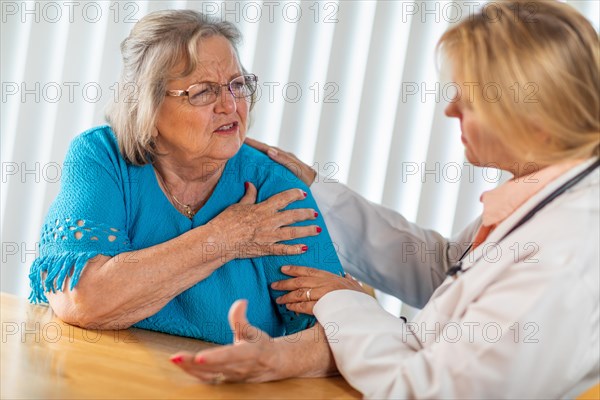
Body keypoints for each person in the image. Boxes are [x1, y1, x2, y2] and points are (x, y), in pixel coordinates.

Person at [170, 0, 600, 397]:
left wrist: (342, 300)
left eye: (469, 98)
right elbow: (447, 268)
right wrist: (317, 192)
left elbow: (421, 390)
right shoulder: (543, 195)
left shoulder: (566, 253)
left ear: (536, 117)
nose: (451, 110)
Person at [28, 10, 344, 346]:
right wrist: (223, 238)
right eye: (203, 91)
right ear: (147, 105)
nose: (230, 105)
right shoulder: (103, 156)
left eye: (237, 85)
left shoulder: (275, 189)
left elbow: (335, 332)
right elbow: (82, 299)